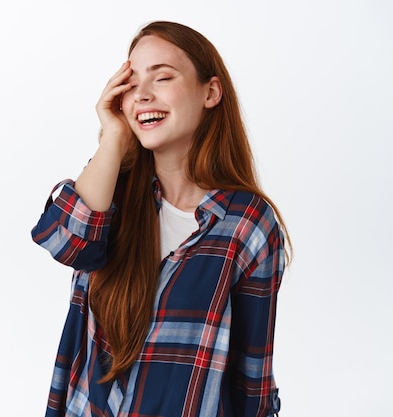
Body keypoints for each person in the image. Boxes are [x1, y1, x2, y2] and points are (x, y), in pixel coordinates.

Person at [31, 20, 290, 417]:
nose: (143, 96)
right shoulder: (110, 187)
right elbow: (67, 243)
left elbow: (250, 375)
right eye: (131, 84)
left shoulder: (248, 224)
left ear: (211, 92)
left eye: (163, 77)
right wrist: (114, 137)